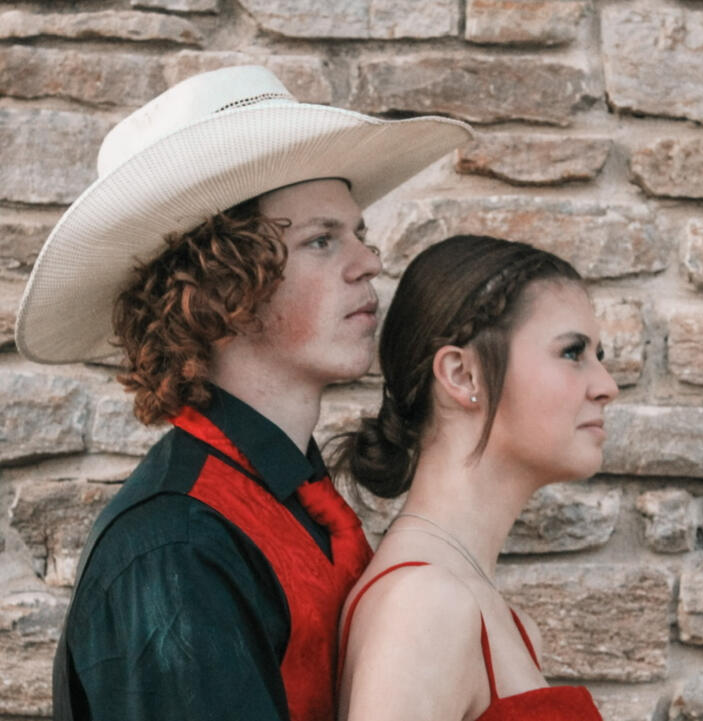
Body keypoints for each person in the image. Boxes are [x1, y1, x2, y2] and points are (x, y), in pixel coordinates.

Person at [13, 66, 472, 721]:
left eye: (359, 234)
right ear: (224, 287)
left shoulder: (290, 500)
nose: (369, 262)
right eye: (322, 240)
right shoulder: (177, 548)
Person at [334, 234, 619, 721]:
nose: (606, 386)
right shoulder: (425, 605)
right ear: (462, 375)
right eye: (573, 353)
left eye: (599, 355)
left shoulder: (509, 625)